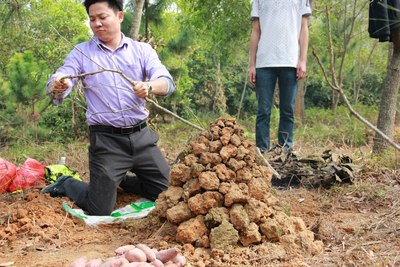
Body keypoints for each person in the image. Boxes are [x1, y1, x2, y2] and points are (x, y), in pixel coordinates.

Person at [42, 0, 175, 216]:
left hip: (141, 138)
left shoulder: (141, 50)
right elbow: (61, 77)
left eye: (102, 17)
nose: (97, 24)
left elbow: (166, 82)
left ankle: (120, 180)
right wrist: (59, 84)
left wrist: (149, 86)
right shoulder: (82, 53)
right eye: (92, 19)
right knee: (100, 209)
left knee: (168, 193)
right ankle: (67, 183)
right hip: (106, 142)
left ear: (120, 16)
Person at [248, 0, 311, 154]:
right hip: (264, 62)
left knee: (287, 110)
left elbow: (304, 28)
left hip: (290, 61)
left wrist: (302, 60)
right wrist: (252, 65)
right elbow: (255, 31)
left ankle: (285, 151)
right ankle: (262, 151)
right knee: (263, 111)